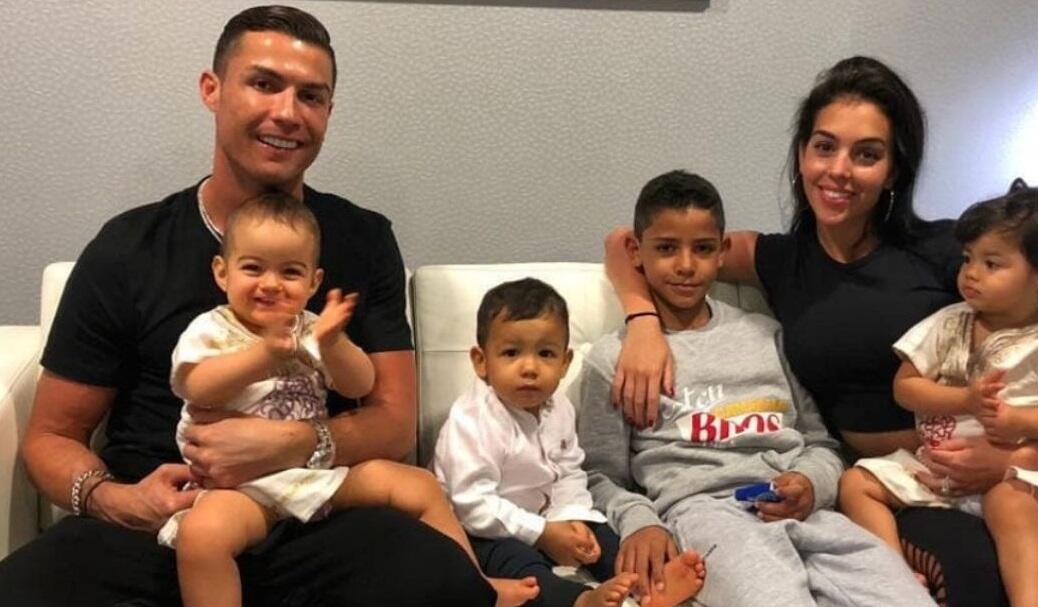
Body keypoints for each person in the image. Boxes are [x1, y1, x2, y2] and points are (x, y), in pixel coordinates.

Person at [0, 6, 496, 606]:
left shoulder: (362, 239)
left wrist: (293, 443)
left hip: (316, 514)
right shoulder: (128, 247)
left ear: (328, 112)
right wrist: (115, 499)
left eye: (310, 96)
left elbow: (392, 421)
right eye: (264, 83)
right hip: (162, 523)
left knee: (441, 581)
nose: (287, 112)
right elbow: (52, 435)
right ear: (212, 90)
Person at [603, 57, 1019, 606]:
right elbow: (628, 241)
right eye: (825, 147)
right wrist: (642, 322)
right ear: (802, 155)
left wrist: (1010, 460)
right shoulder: (778, 260)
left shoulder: (945, 252)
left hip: (983, 463)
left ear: (894, 169)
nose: (839, 170)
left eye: (866, 154)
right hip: (879, 482)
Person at [580, 169, 934, 607]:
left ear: (722, 252)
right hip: (706, 514)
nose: (686, 265)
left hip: (805, 511)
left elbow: (821, 443)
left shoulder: (767, 335)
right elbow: (597, 474)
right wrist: (640, 521)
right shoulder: (613, 360)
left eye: (703, 248)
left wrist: (811, 482)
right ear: (637, 252)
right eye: (667, 248)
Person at [165, 193, 538, 607]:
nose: (270, 284)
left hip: (315, 476)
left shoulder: (311, 329)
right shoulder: (212, 328)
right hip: (242, 489)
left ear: (314, 283)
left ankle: (478, 585)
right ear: (222, 272)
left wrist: (333, 343)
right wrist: (264, 355)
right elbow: (195, 386)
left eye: (290, 272)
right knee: (202, 535)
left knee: (418, 485)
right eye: (253, 268)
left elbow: (359, 383)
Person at [840, 187, 1038, 605]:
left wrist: (1019, 423)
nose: (971, 273)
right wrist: (964, 400)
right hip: (934, 469)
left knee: (1011, 505)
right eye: (967, 259)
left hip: (1011, 476)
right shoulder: (950, 322)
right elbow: (905, 387)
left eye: (991, 263)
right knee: (855, 483)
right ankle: (896, 577)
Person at [433, 278, 680, 607]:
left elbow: (569, 471)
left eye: (546, 354)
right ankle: (579, 600)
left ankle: (651, 587)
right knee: (518, 567)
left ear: (565, 362)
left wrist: (572, 519)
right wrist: (542, 533)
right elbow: (472, 505)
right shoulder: (472, 420)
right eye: (511, 353)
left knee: (603, 538)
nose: (530, 368)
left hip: (549, 520)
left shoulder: (559, 408)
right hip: (483, 530)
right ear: (481, 361)